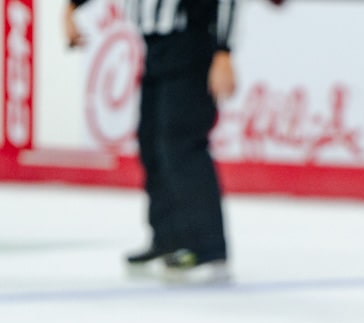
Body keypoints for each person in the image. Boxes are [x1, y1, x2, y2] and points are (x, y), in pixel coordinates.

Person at [64, 0, 239, 284]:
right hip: (154, 45)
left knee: (181, 142)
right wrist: (73, 6)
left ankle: (207, 248)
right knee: (152, 141)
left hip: (191, 41)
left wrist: (223, 51)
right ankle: (169, 238)